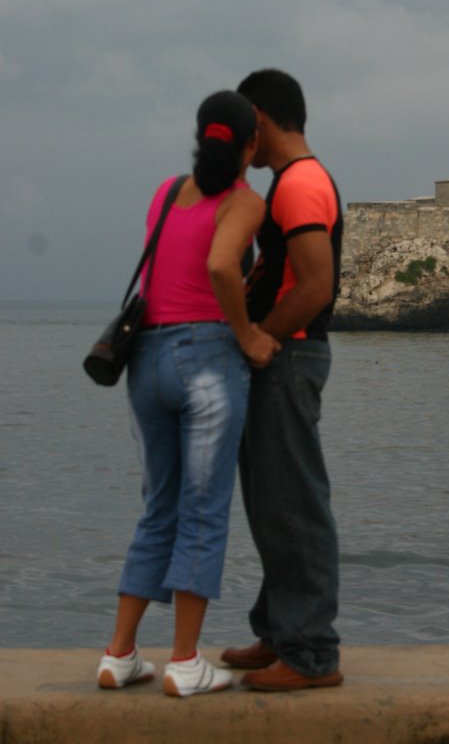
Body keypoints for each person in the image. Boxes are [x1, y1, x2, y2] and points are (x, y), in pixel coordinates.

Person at [97, 90, 280, 699]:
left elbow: (169, 266)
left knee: (160, 508)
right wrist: (248, 335)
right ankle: (183, 661)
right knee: (203, 512)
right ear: (251, 145)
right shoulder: (245, 202)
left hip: (145, 360)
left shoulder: (166, 191)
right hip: (205, 362)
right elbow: (222, 266)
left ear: (201, 135)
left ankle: (119, 654)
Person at [220, 68, 344, 691]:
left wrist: (261, 337)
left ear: (260, 119)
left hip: (290, 357)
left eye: (246, 125)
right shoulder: (291, 182)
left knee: (294, 504)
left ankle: (311, 653)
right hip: (284, 355)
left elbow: (317, 285)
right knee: (273, 502)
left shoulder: (299, 186)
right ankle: (279, 632)